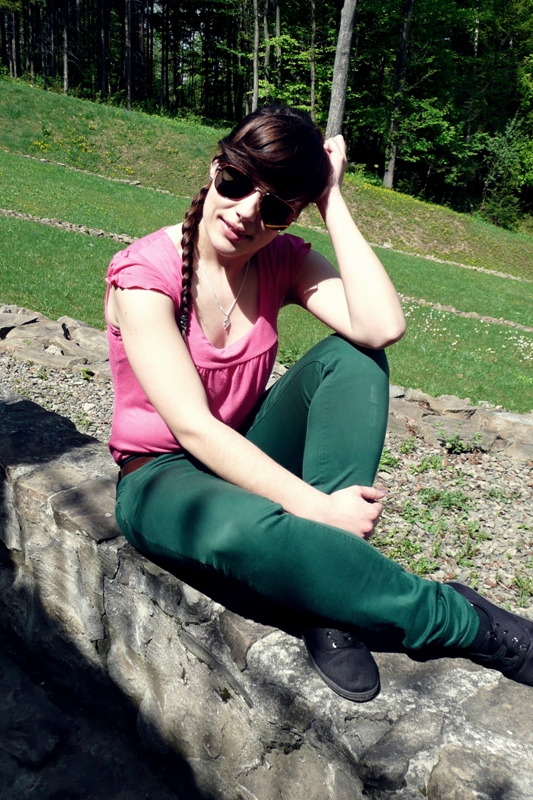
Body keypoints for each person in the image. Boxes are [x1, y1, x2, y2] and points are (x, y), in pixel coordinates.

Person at [106, 104, 533, 702]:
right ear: (215, 168)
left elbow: (380, 326)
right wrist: (318, 508)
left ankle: (324, 600)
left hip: (244, 450)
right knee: (246, 532)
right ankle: (469, 623)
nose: (247, 212)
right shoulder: (145, 276)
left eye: (277, 207)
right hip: (160, 476)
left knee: (356, 358)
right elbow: (194, 428)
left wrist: (332, 200)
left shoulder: (278, 258)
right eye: (237, 182)